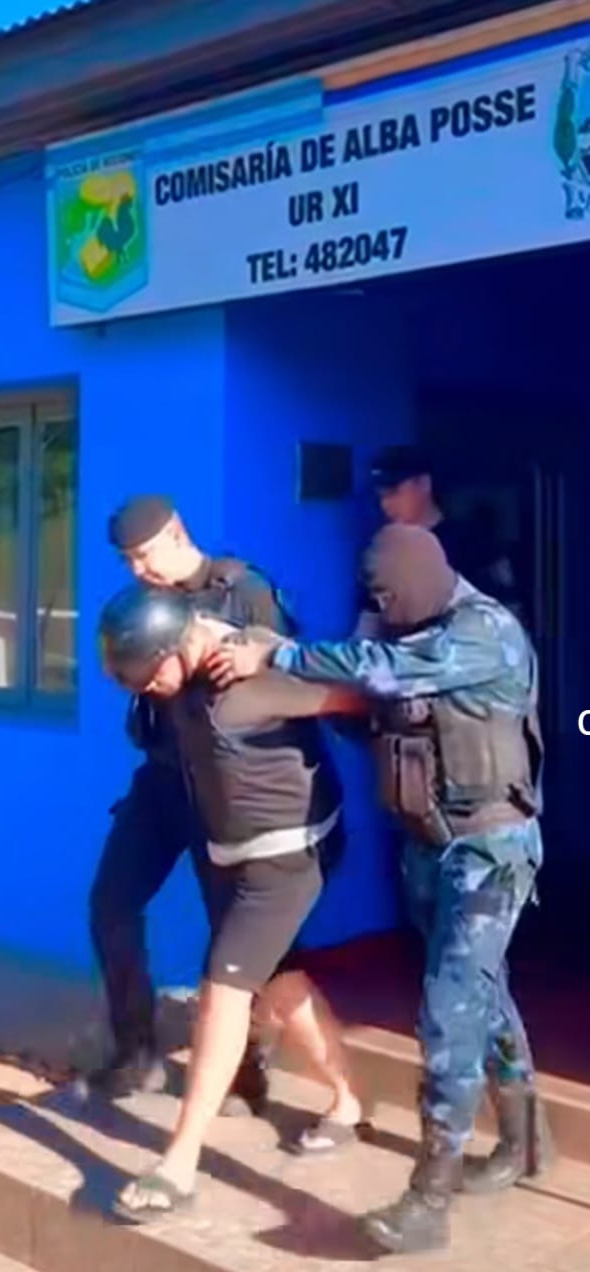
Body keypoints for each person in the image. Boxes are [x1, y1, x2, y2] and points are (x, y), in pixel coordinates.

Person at [206, 523, 552, 1255]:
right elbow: (378, 710)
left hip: (489, 849)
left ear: (420, 580)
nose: (385, 608)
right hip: (430, 846)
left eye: (390, 595)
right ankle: (524, 1144)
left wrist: (280, 654)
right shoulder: (410, 629)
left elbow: (383, 670)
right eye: (377, 598)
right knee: (482, 993)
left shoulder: (483, 631)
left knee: (448, 1011)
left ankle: (428, 1199)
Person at [98, 583, 370, 1222]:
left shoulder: (253, 677)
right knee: (280, 980)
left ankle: (178, 1163)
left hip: (288, 856)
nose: (153, 691)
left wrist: (274, 655)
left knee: (224, 988)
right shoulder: (176, 669)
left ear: (178, 646)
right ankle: (349, 1100)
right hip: (234, 853)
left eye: (153, 677)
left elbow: (353, 697)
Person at [86, 495, 287, 1114]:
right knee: (110, 903)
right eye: (128, 560)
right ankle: (136, 1052)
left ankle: (245, 1072)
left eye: (144, 555)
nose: (138, 569)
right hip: (162, 780)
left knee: (233, 934)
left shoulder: (242, 592)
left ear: (177, 534)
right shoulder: (143, 605)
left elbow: (284, 679)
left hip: (225, 788)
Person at [356, 445, 522, 631]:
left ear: (424, 484)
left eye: (394, 493)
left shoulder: (473, 545)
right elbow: (369, 622)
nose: (386, 504)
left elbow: (507, 613)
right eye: (381, 496)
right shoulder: (383, 554)